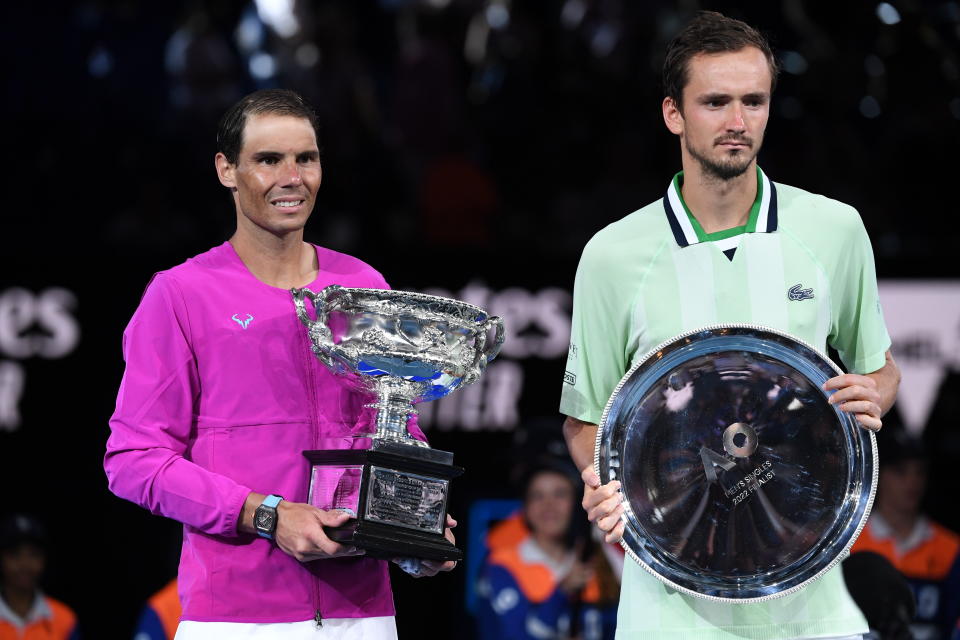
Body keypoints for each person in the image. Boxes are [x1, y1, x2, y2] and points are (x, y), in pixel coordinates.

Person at [559, 11, 901, 640]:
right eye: (715, 102)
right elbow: (587, 420)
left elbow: (880, 368)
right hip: (668, 605)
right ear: (674, 114)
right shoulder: (612, 255)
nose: (738, 123)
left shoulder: (835, 230)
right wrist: (601, 481)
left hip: (813, 600)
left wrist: (876, 390)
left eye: (754, 101)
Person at [104, 89, 455, 640]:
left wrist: (413, 526)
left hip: (363, 614)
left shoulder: (363, 286)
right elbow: (134, 460)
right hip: (236, 617)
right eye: (269, 160)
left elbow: (395, 427)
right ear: (227, 170)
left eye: (306, 158)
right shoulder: (181, 294)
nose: (292, 177)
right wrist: (266, 514)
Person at [477, 460, 619, 640]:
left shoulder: (597, 559)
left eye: (560, 494)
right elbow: (513, 635)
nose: (548, 505)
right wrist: (562, 591)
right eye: (537, 496)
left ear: (577, 503)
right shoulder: (502, 565)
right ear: (525, 507)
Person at [852, 430, 960, 640]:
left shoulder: (950, 548)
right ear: (879, 474)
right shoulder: (850, 544)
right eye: (900, 471)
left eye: (919, 472)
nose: (912, 481)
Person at [0, 514, 80, 640]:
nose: (25, 564)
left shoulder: (64, 619)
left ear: (44, 560)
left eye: (33, 554)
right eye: (15, 554)